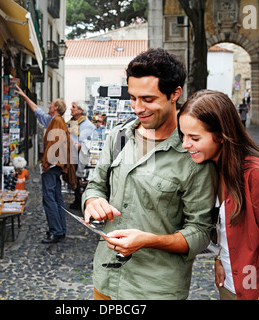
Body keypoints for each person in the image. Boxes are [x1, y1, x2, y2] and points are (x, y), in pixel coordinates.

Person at [82, 48, 217, 300]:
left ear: (175, 93)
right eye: (132, 98)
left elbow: (200, 232)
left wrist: (149, 240)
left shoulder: (195, 153)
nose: (137, 108)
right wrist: (92, 202)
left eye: (148, 99)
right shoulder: (118, 137)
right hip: (105, 280)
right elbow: (95, 186)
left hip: (155, 288)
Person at [177, 90, 259, 300]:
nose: (185, 144)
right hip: (231, 286)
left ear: (221, 136)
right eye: (183, 135)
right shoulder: (214, 168)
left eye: (194, 138)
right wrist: (221, 256)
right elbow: (229, 227)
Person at [15, 86, 76, 243]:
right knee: (56, 197)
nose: (48, 105)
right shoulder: (56, 120)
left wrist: (46, 163)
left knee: (49, 198)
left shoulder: (56, 121)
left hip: (52, 166)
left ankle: (55, 231)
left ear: (55, 108)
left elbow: (55, 143)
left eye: (51, 104)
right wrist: (24, 96)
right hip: (56, 167)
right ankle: (60, 229)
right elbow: (37, 110)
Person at [67, 101, 95, 209]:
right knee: (73, 179)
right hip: (72, 155)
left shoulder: (87, 125)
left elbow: (89, 141)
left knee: (79, 179)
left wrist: (81, 144)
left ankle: (80, 200)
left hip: (80, 157)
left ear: (80, 111)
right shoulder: (72, 122)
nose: (71, 109)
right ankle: (77, 199)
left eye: (73, 107)